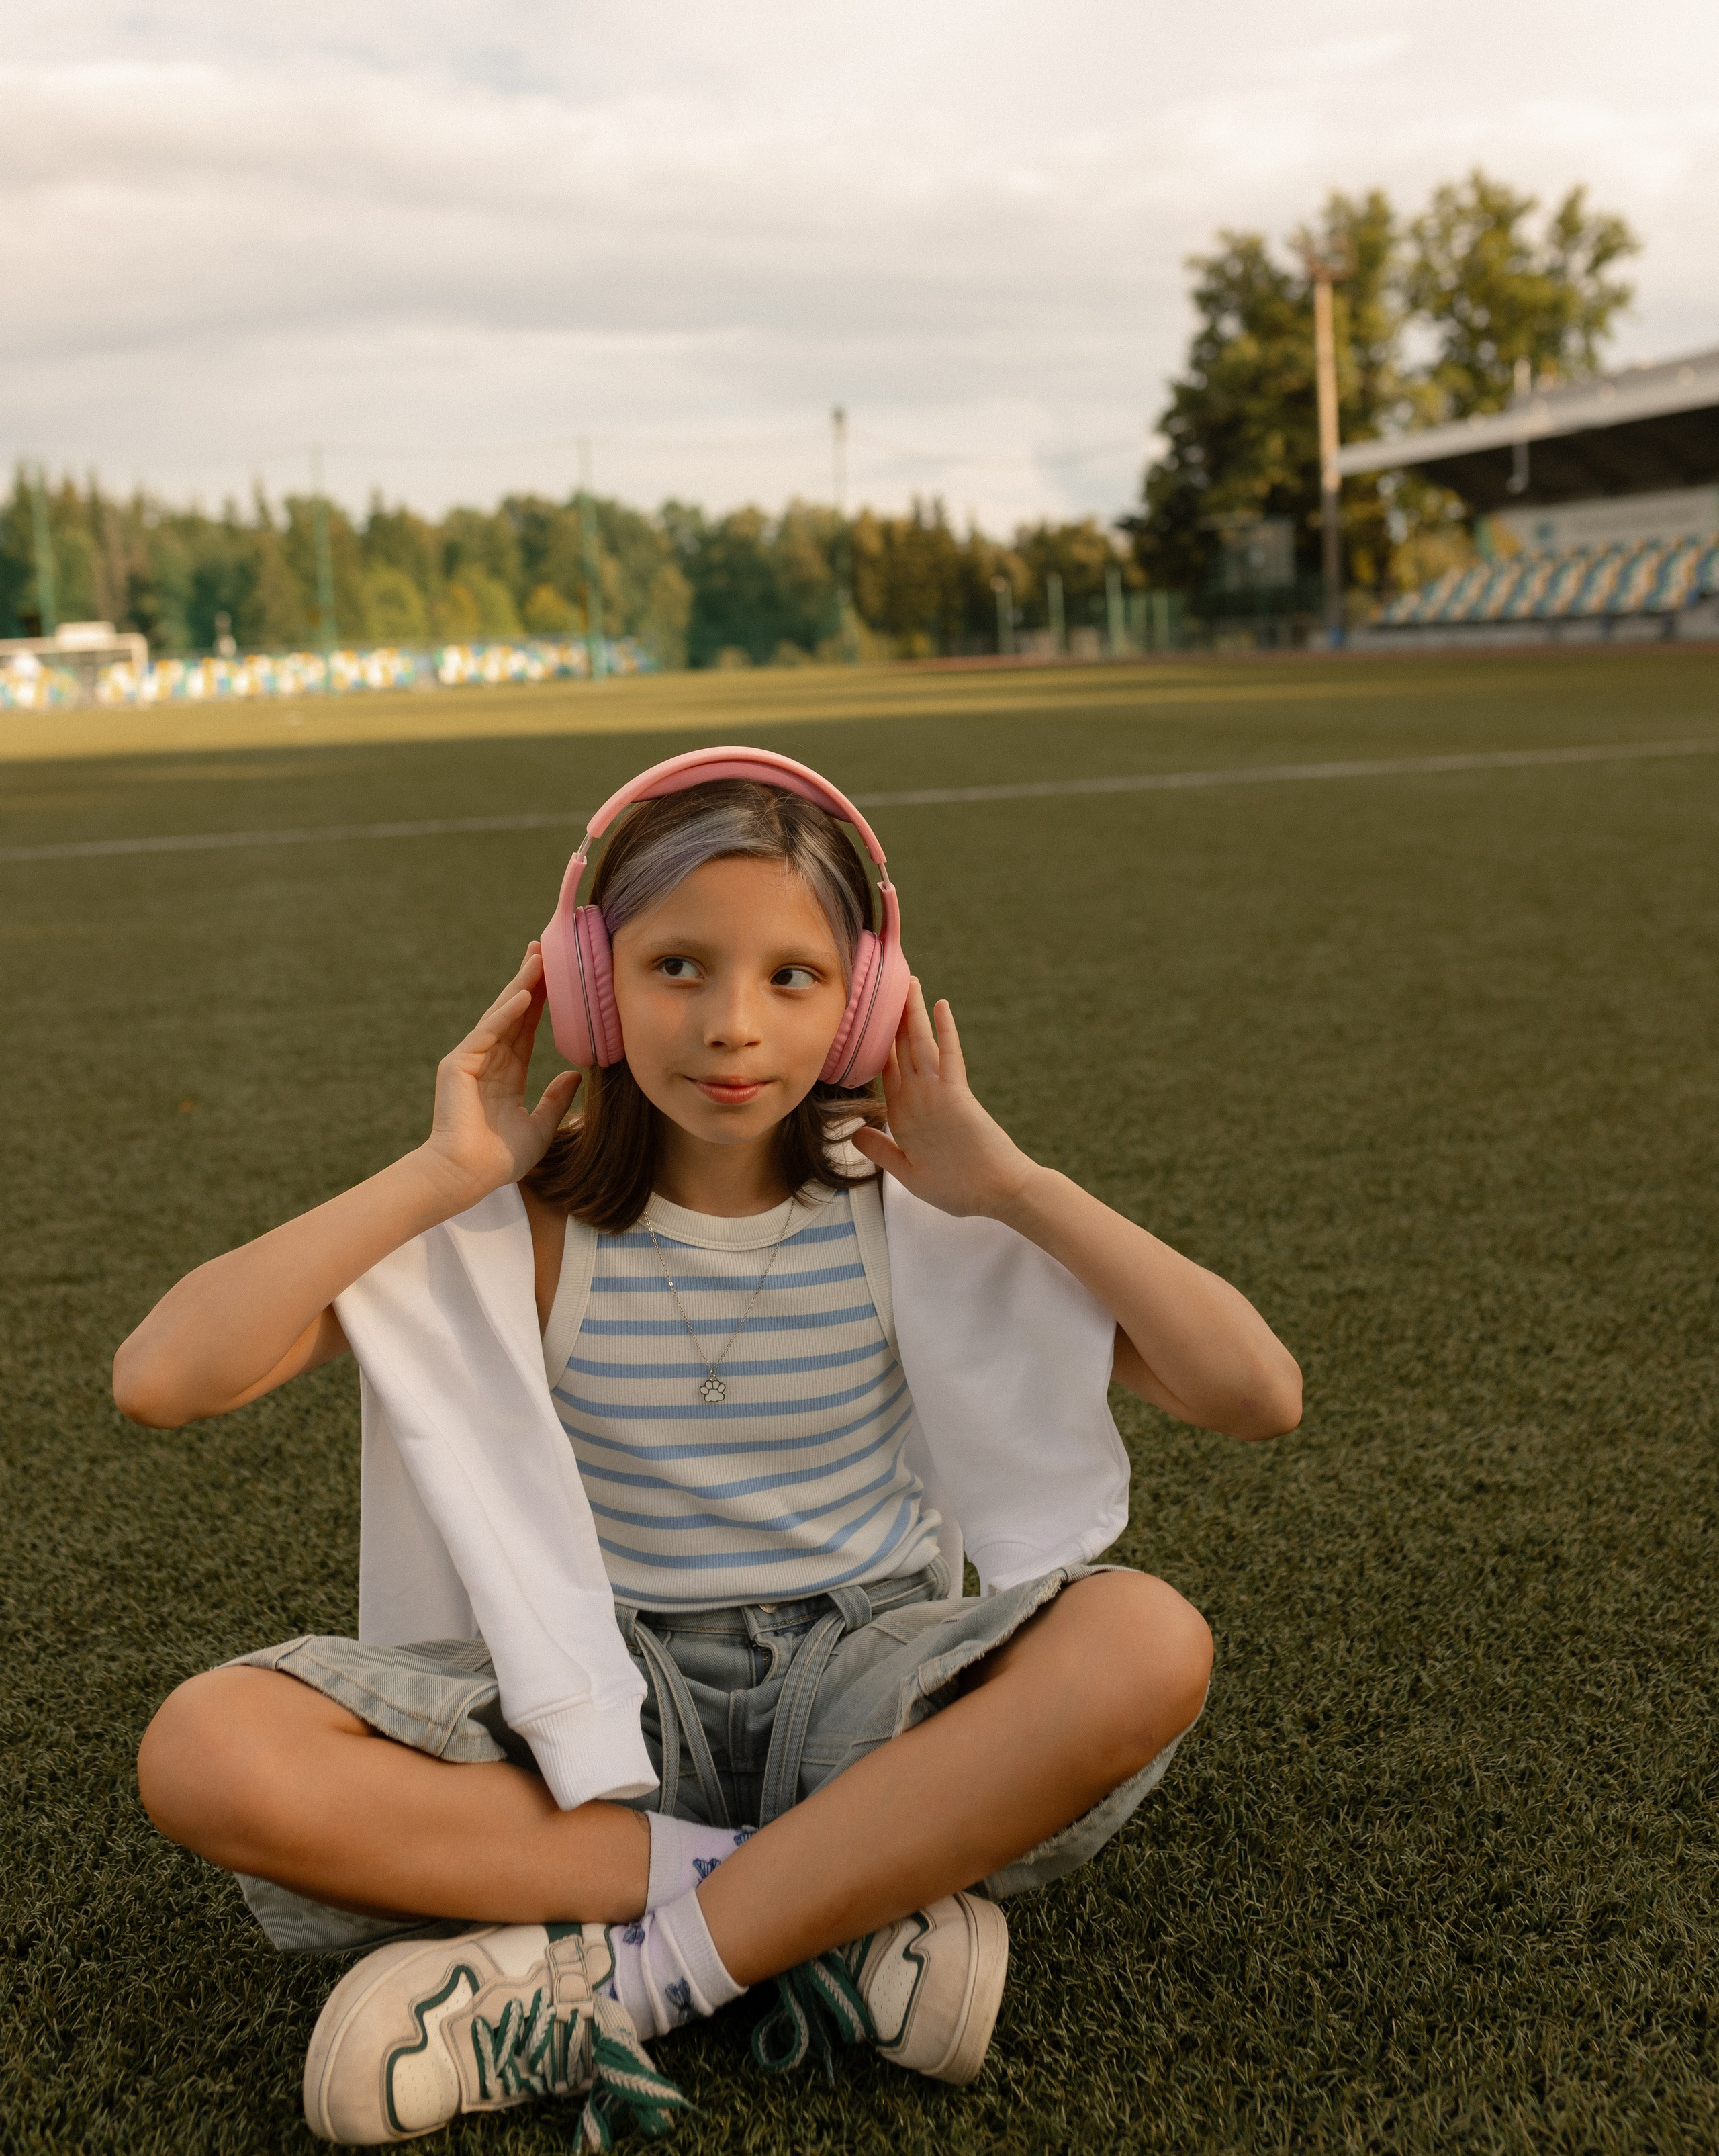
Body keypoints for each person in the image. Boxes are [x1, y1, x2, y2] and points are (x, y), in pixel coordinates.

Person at [115, 750, 1301, 2146]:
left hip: (860, 1681)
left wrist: (1016, 1186)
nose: (733, 1027)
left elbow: (1254, 1392)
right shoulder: (526, 1224)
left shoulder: (911, 1211)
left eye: (793, 978)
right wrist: (438, 1175)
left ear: (862, 1007)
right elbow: (163, 1378)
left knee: (1146, 1640)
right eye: (676, 967)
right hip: (593, 1703)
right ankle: (830, 1906)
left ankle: (630, 1980)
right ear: (588, 984)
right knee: (207, 1750)